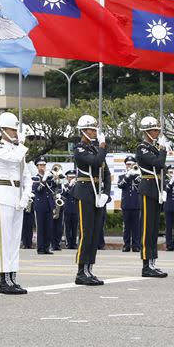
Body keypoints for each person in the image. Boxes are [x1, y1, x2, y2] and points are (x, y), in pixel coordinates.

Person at [0, 112, 32, 295]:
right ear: (3, 130)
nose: (15, 133)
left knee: (14, 240)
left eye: (16, 130)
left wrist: (26, 196)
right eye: (13, 129)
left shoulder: (18, 150)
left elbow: (27, 175)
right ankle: (4, 280)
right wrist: (21, 144)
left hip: (17, 196)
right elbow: (12, 159)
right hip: (4, 196)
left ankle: (13, 277)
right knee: (4, 240)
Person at [72, 114, 110, 285]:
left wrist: (106, 193)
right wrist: (102, 147)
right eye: (91, 129)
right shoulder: (79, 149)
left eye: (95, 129)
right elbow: (96, 162)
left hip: (97, 194)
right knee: (86, 233)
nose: (94, 132)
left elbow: (106, 173)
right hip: (85, 192)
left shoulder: (96, 149)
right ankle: (81, 271)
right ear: (83, 131)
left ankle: (89, 269)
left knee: (95, 234)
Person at [136, 116, 168, 278]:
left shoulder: (153, 148)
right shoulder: (142, 148)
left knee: (154, 228)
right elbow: (159, 163)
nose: (157, 133)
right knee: (147, 228)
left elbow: (163, 167)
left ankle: (152, 262)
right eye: (154, 130)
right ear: (147, 132)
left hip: (156, 189)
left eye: (157, 130)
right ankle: (146, 264)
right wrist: (163, 150)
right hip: (148, 188)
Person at [32, 158, 56, 255]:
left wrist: (54, 180)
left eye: (44, 165)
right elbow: (37, 190)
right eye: (40, 165)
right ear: (37, 167)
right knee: (41, 227)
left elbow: (54, 189)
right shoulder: (35, 178)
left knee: (49, 227)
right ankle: (40, 248)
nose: (43, 167)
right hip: (40, 205)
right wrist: (44, 179)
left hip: (49, 204)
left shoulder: (49, 177)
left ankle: (47, 247)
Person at [118, 156, 141, 252]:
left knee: (136, 226)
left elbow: (140, 187)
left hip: (136, 204)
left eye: (131, 165)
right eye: (128, 164)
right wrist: (128, 176)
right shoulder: (122, 176)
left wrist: (135, 175)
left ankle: (136, 245)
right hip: (126, 204)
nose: (130, 166)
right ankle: (126, 245)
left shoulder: (139, 176)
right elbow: (120, 185)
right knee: (126, 227)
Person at [61, 170, 78, 249]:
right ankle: (68, 243)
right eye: (70, 177)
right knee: (67, 227)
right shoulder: (65, 185)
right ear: (67, 178)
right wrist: (70, 185)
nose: (72, 178)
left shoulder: (77, 186)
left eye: (73, 177)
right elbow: (64, 194)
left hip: (75, 208)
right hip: (67, 208)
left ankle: (74, 243)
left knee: (75, 227)